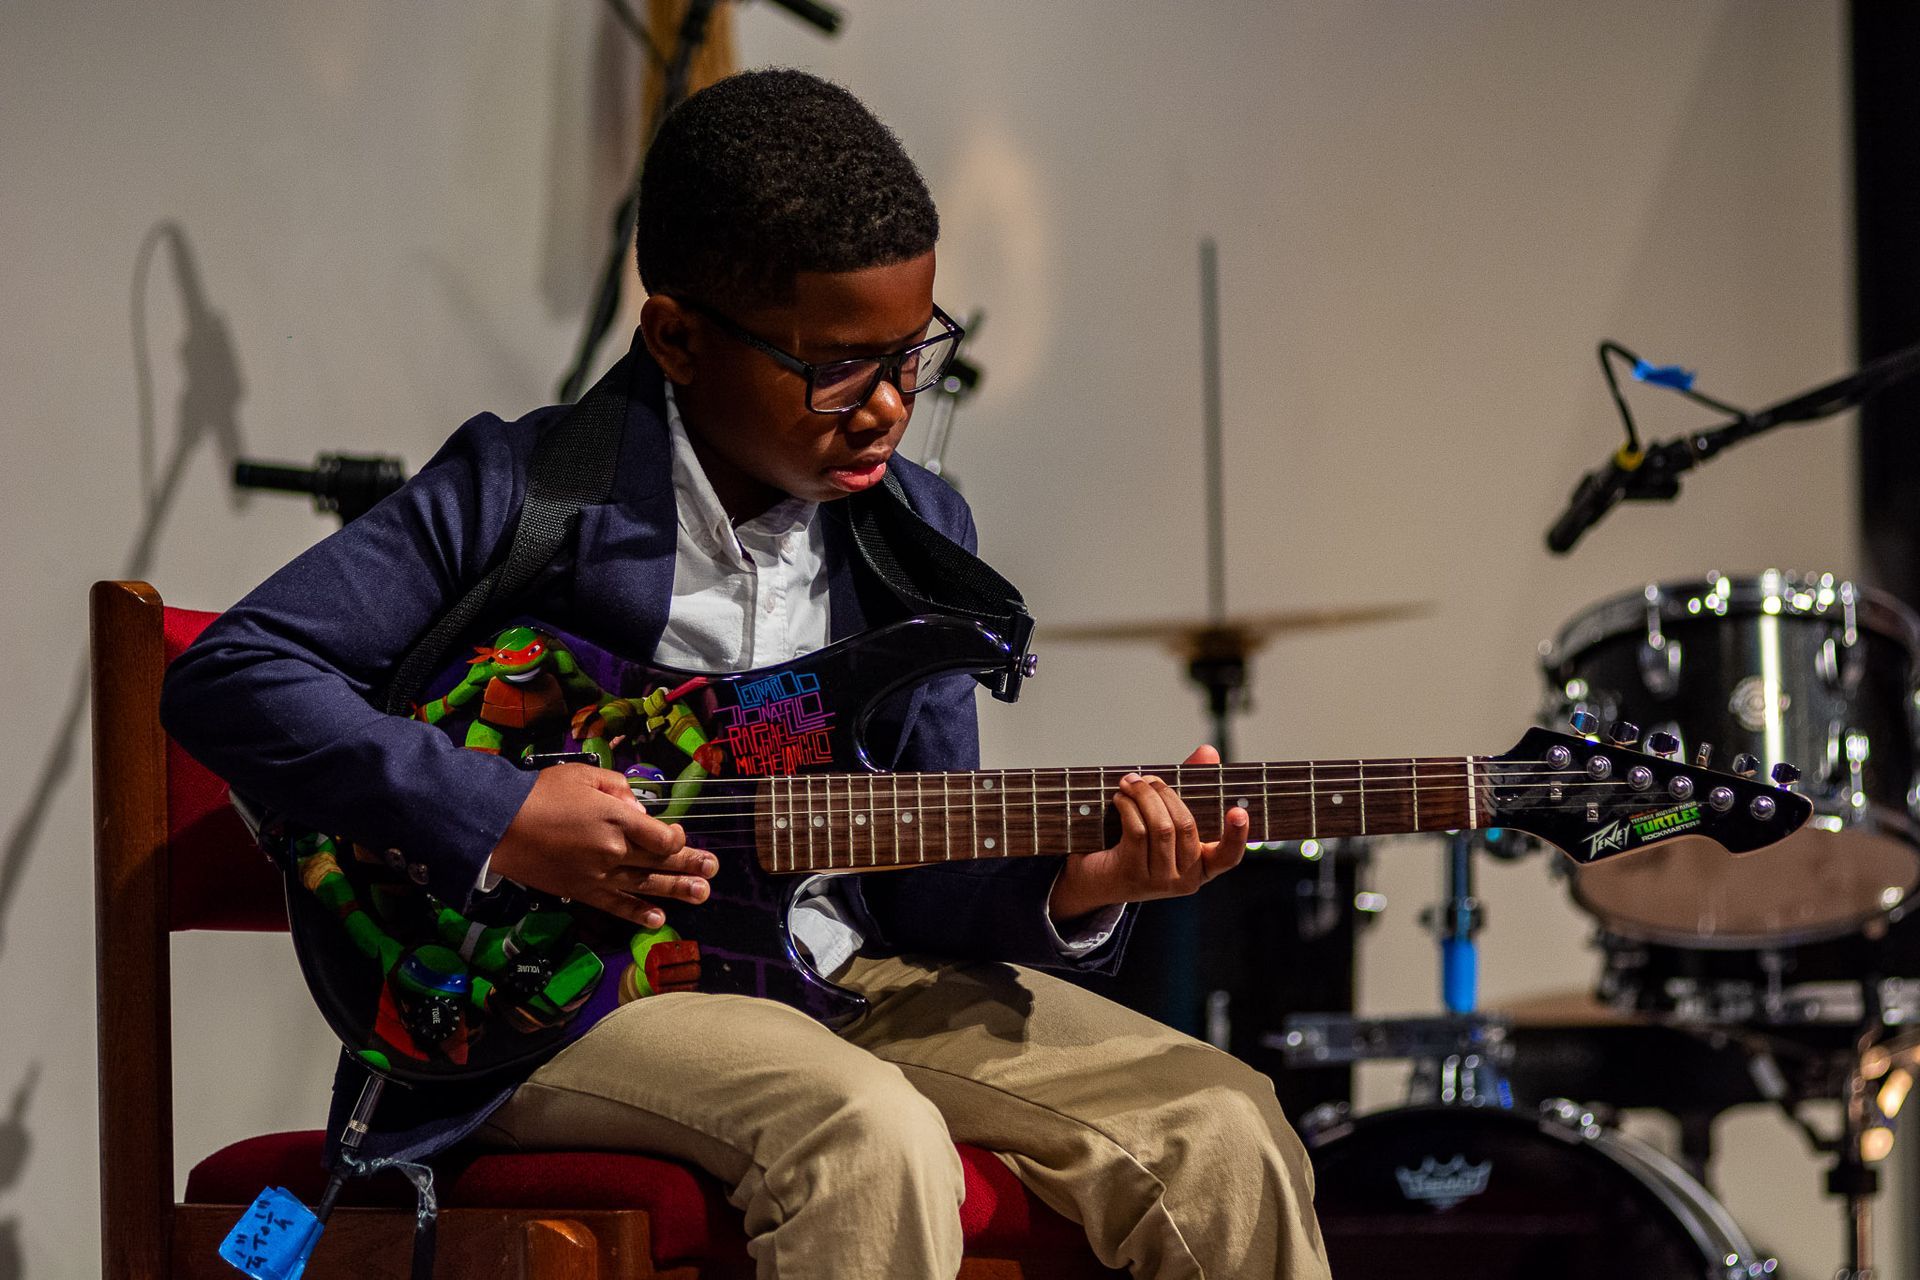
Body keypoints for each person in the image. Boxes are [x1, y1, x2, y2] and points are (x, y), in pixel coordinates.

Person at [162, 67, 1329, 1280]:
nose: (884, 406)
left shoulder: (916, 532)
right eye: (834, 366)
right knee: (868, 1134)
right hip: (554, 1001)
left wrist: (1077, 888)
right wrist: (501, 813)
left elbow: (918, 891)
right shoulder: (528, 490)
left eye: (910, 354)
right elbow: (237, 671)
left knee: (1223, 1124)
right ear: (676, 334)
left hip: (827, 973)